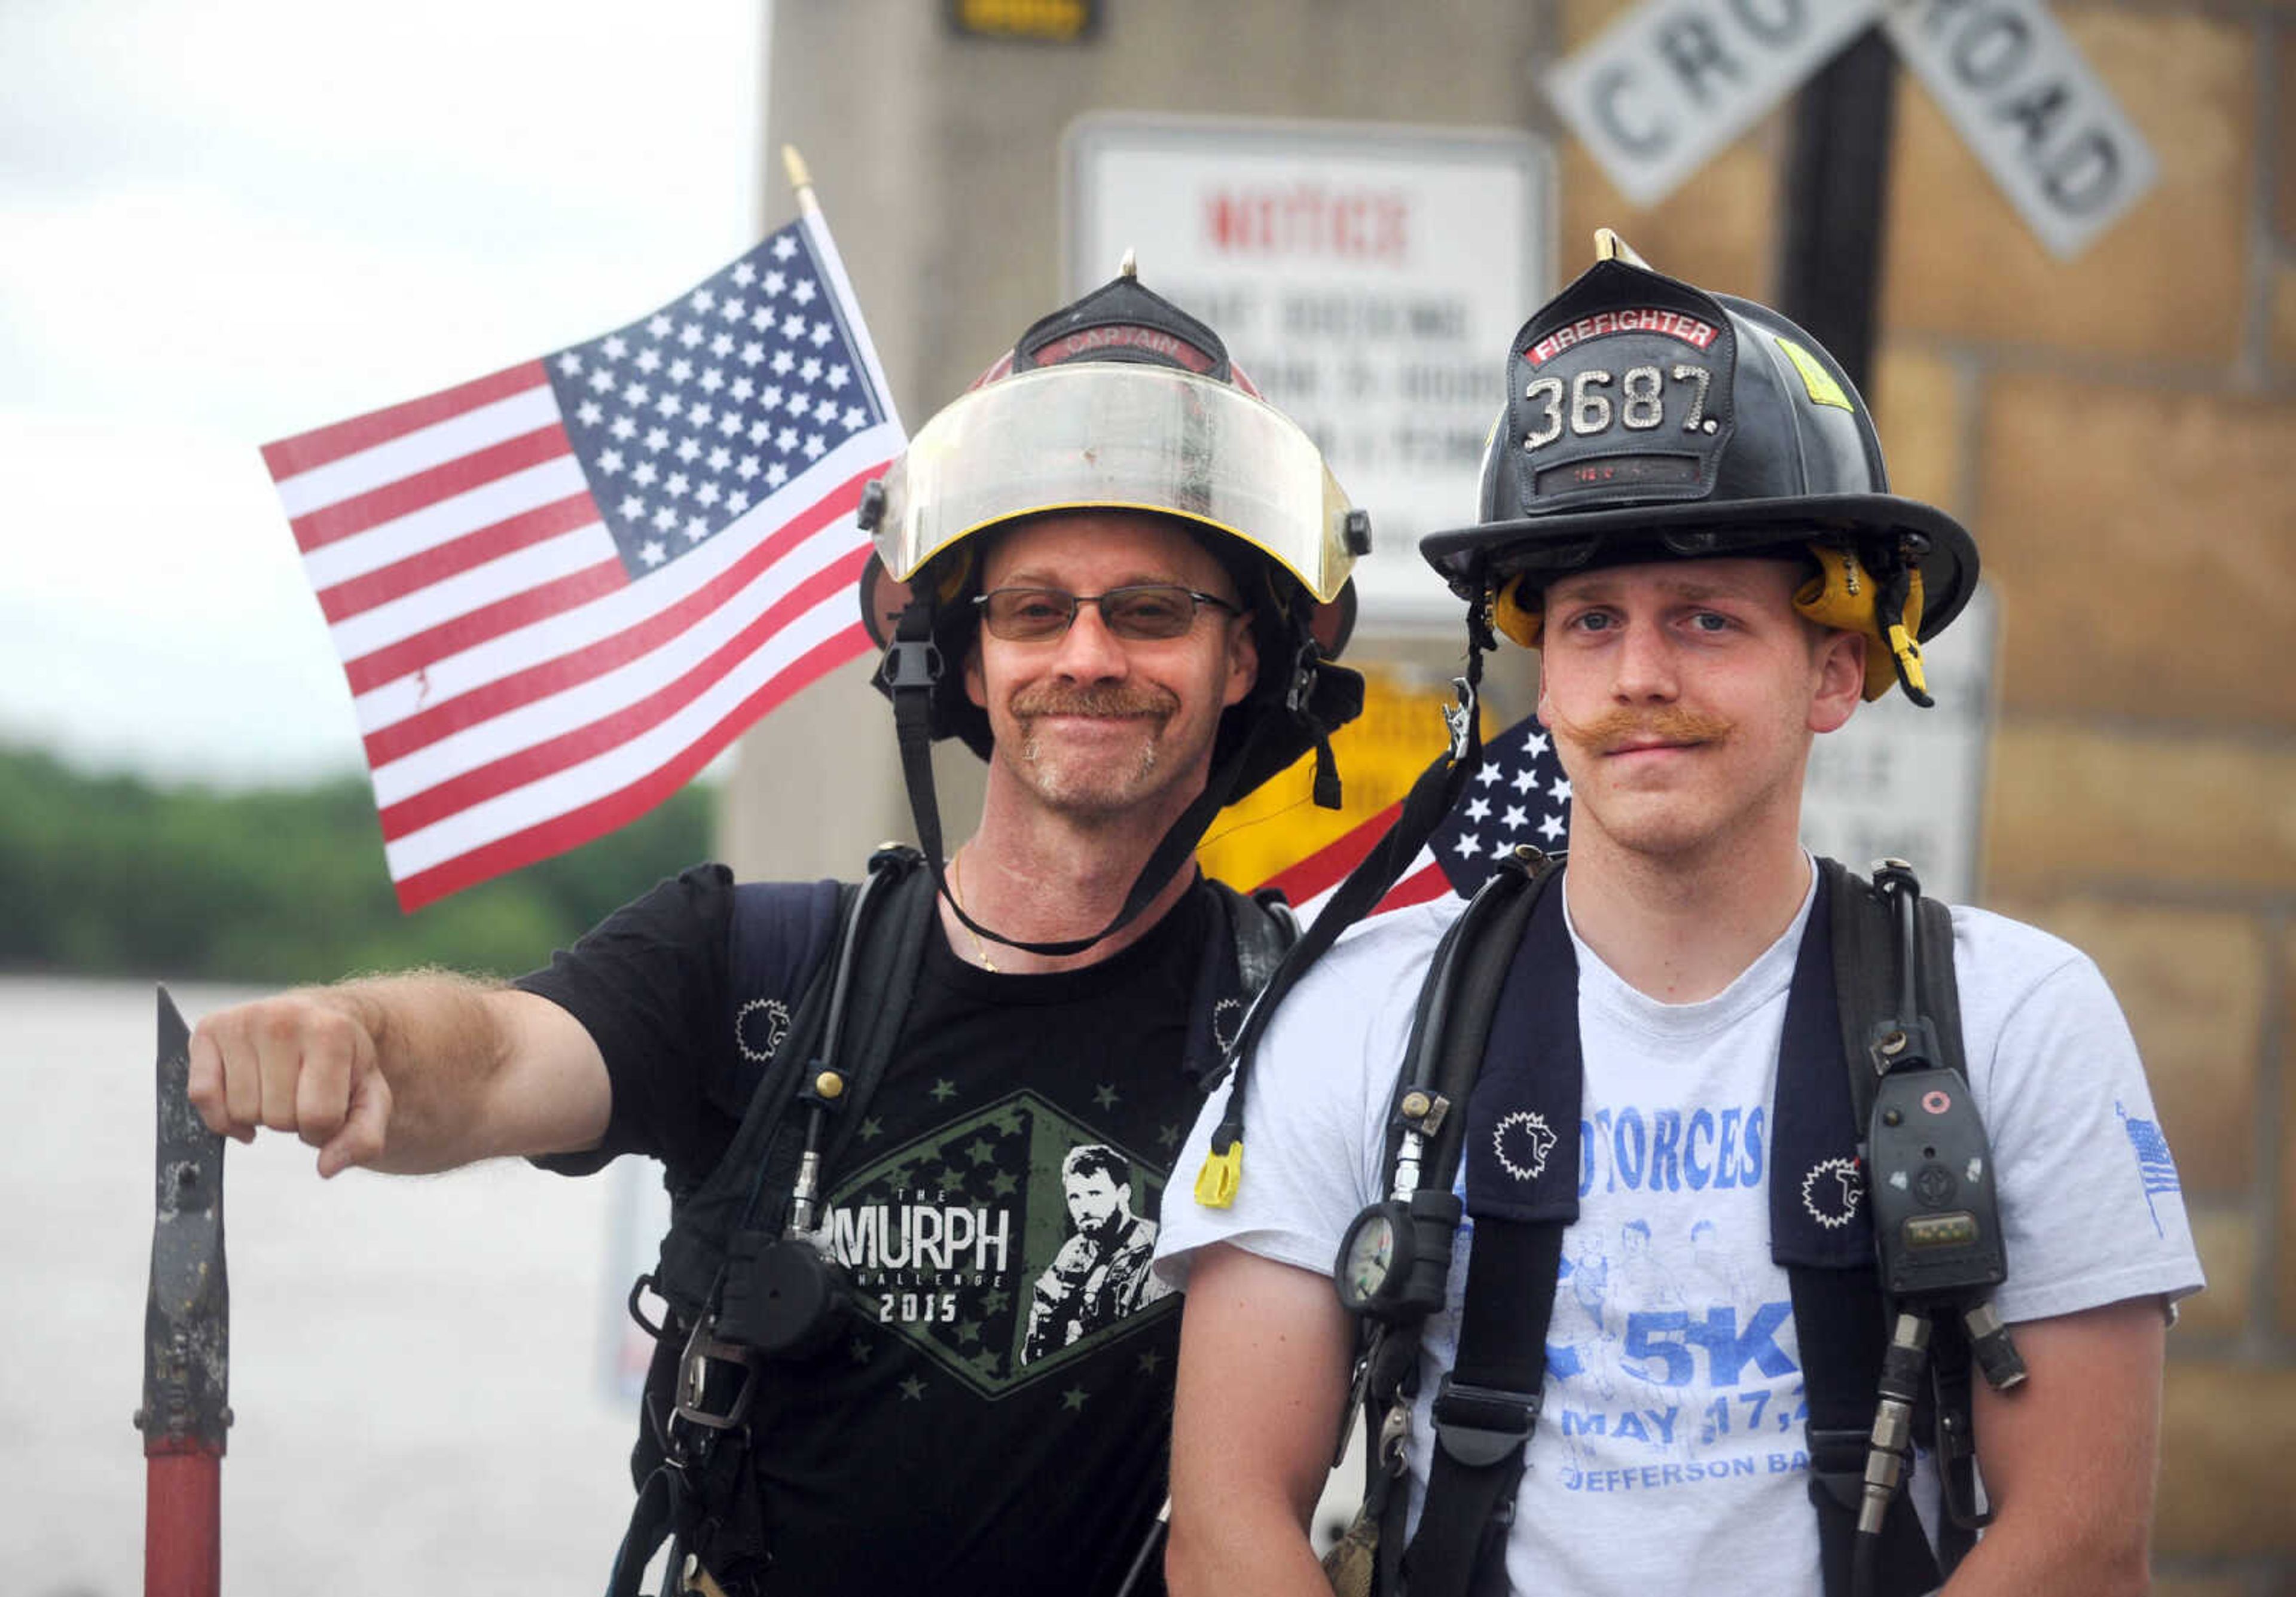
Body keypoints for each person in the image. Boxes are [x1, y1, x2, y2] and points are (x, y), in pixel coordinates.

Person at [187, 263, 1367, 1596]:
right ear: (964, 661)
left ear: (1250, 660)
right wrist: (357, 1032)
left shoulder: (1319, 1028)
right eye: (1034, 610)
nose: (1088, 652)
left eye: (1152, 611)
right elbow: (498, 1057)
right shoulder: (749, 968)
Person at [1154, 238, 2203, 1597]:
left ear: (1835, 669)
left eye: (1704, 619)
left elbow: (2075, 1545)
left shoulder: (2012, 1015)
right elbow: (1226, 1523)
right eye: (1589, 622)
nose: (1636, 675)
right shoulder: (1355, 1011)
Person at [1023, 1143, 1173, 1364]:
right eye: (1075, 1197)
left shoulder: (1158, 1248)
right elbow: (1033, 1351)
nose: (1084, 1208)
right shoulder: (1073, 1251)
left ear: (1123, 1194)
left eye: (1095, 1193)